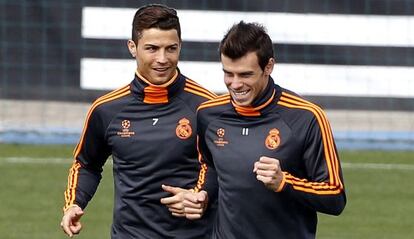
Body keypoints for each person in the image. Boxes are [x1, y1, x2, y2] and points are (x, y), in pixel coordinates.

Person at [174, 21, 347, 238]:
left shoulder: (306, 117)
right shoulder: (208, 114)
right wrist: (202, 195)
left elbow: (335, 196)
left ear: (269, 66)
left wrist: (285, 182)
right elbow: (210, 167)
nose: (235, 84)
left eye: (245, 75)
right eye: (228, 74)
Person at [60, 4, 217, 238]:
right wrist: (74, 203)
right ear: (132, 48)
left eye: (171, 48)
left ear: (180, 47)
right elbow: (86, 164)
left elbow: (226, 167)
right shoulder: (106, 110)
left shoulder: (207, 108)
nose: (162, 59)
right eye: (152, 49)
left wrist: (202, 195)